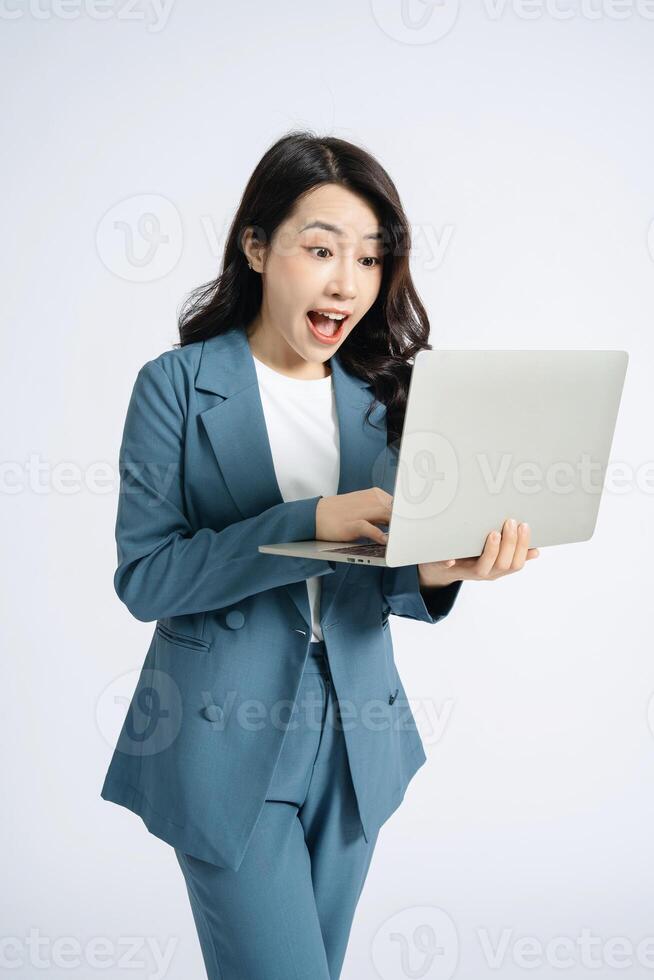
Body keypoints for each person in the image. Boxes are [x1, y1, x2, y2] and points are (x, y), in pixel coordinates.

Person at [100, 130, 539, 979]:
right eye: (322, 249)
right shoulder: (177, 386)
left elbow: (384, 578)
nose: (348, 282)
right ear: (257, 246)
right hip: (225, 736)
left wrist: (443, 569)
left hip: (358, 737)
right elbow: (146, 577)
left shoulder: (380, 400)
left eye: (372, 260)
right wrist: (312, 520)